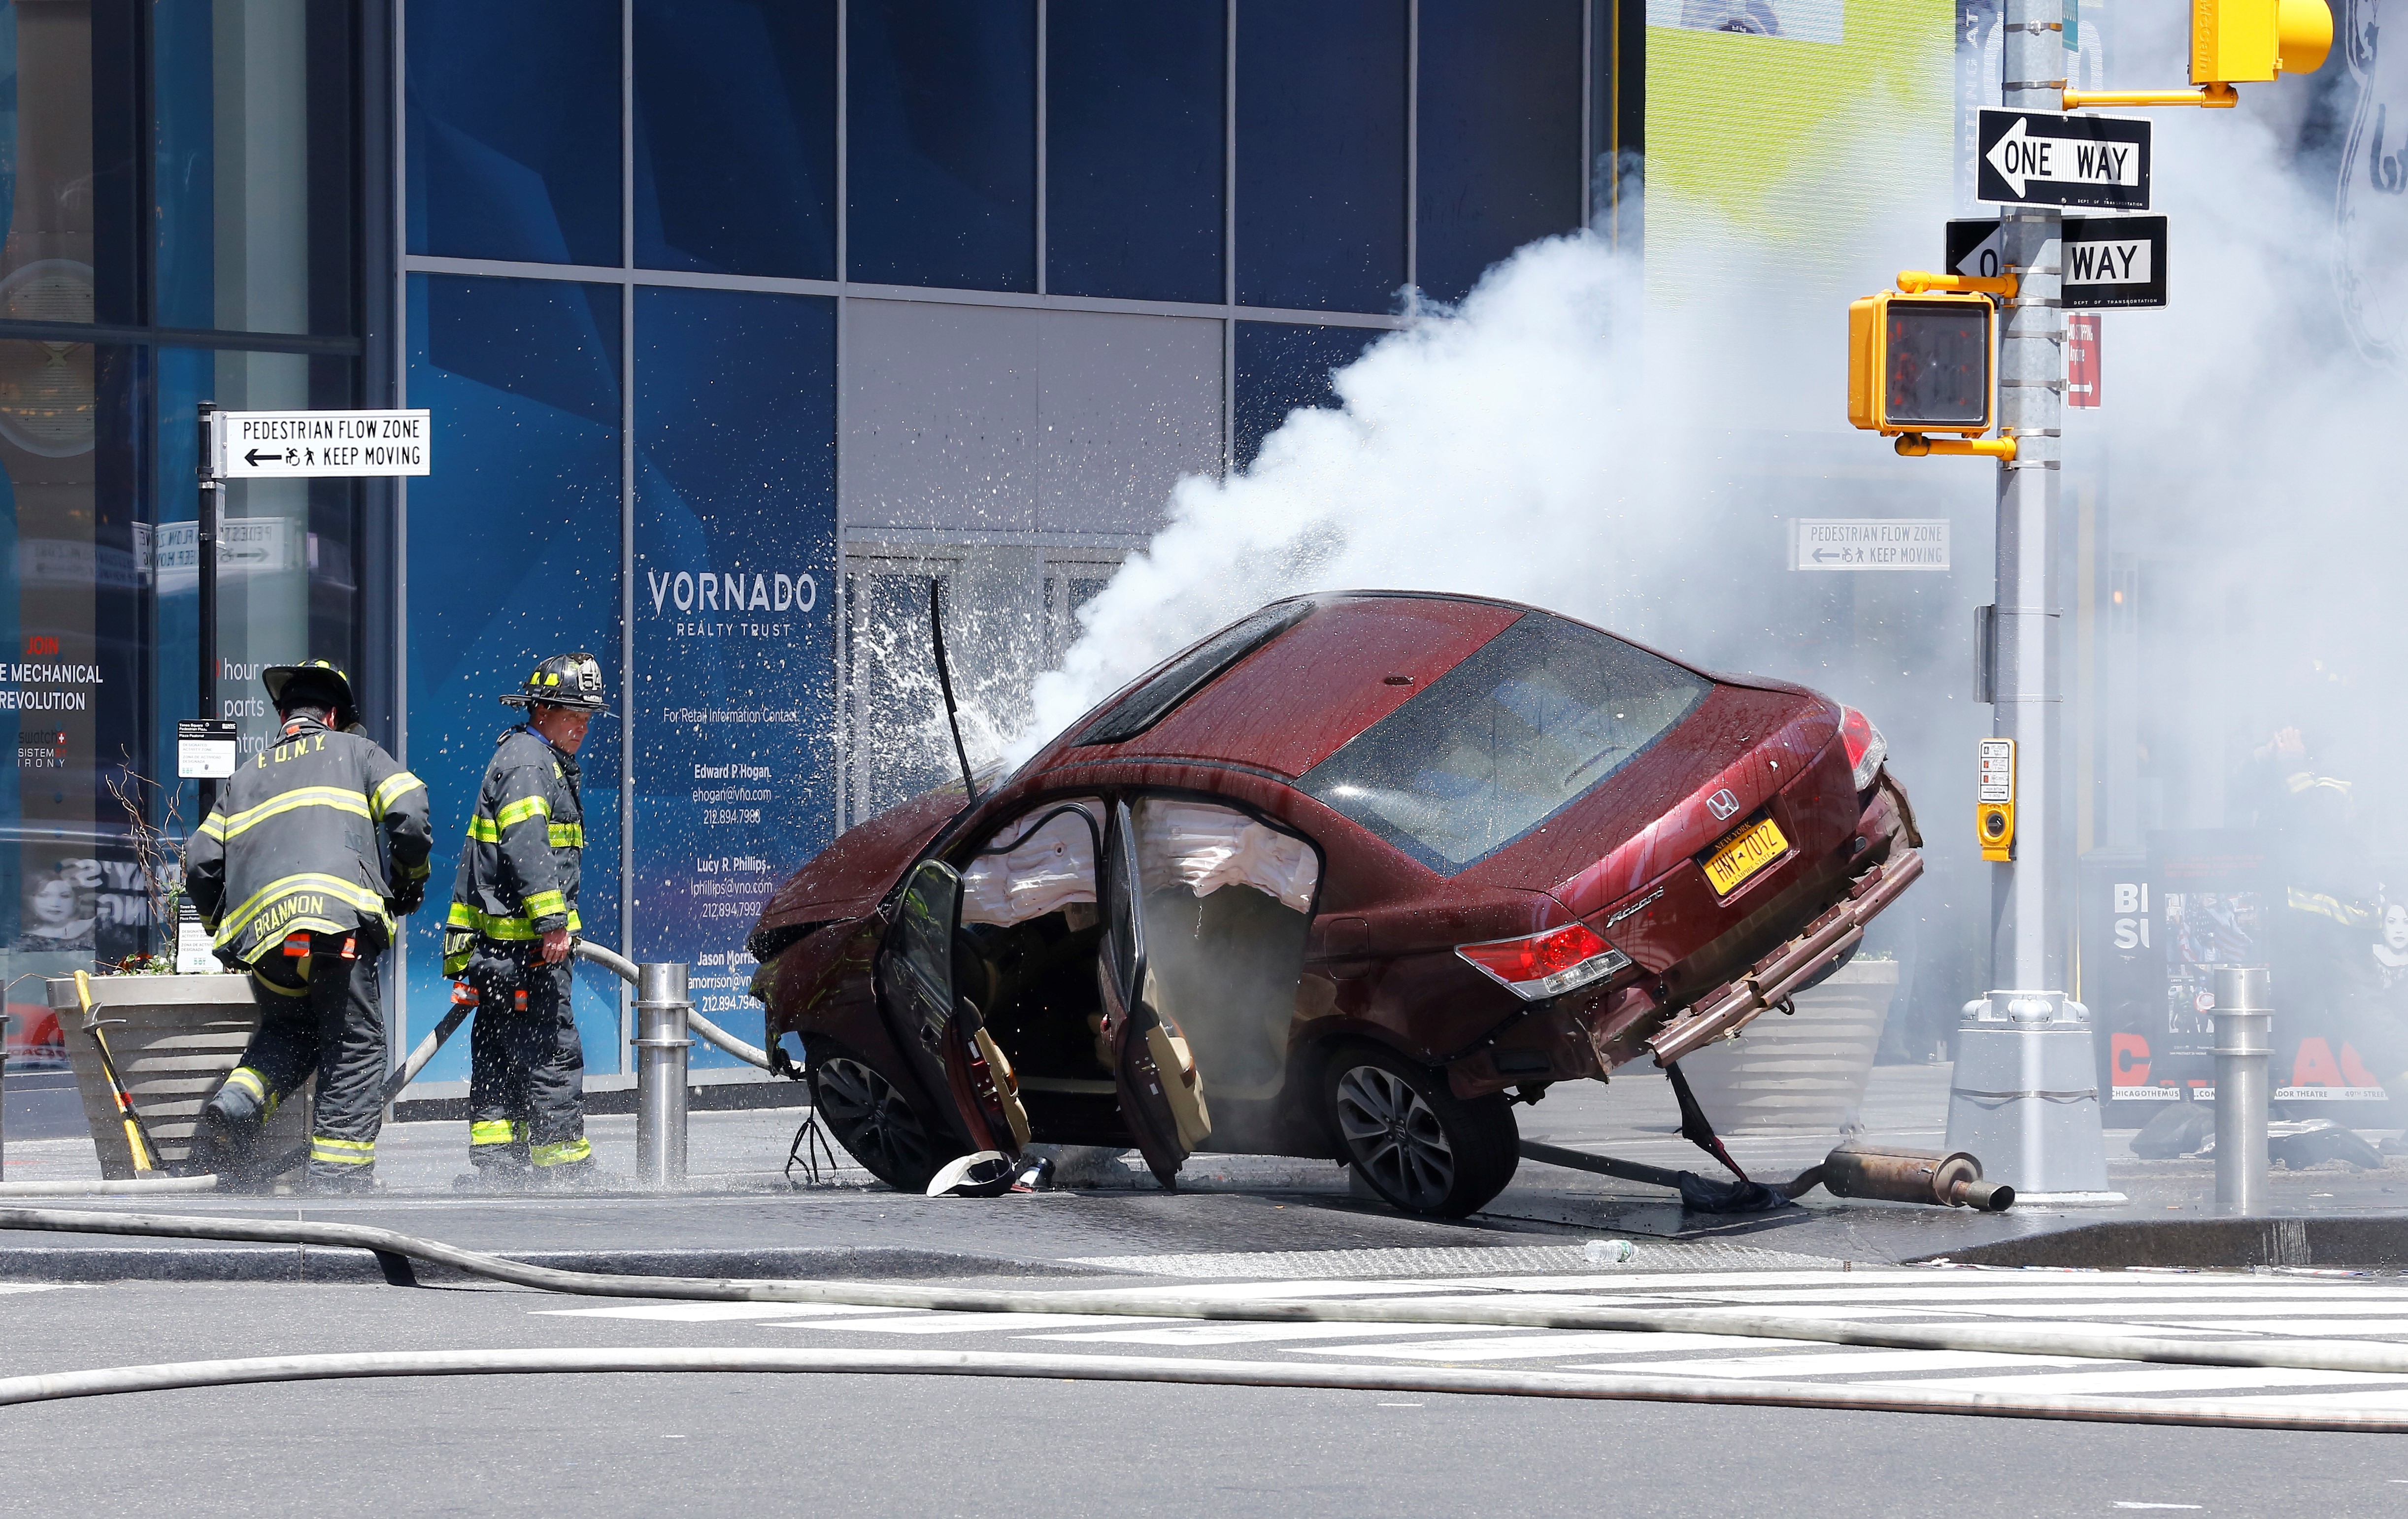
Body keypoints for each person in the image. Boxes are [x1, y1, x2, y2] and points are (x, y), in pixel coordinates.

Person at [188, 660, 432, 1191]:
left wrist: (220, 931)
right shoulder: (359, 753)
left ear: (282, 715)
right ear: (335, 715)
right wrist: (409, 886)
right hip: (336, 929)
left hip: (269, 948)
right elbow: (410, 813)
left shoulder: (244, 777)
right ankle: (338, 1181)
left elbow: (199, 863)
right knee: (354, 1046)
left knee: (290, 1030)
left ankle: (236, 1104)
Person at [444, 652, 607, 1189]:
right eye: (572, 714)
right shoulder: (530, 762)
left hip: (503, 948)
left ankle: (500, 1163)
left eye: (587, 717)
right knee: (551, 1049)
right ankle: (564, 1166)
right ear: (541, 708)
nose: (582, 726)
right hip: (528, 948)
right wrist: (552, 923)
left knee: (499, 1046)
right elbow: (527, 843)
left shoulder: (529, 757)